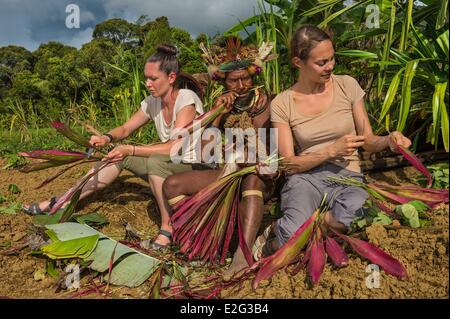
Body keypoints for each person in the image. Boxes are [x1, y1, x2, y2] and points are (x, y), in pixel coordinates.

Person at [23, 44, 204, 250]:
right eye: (146, 78)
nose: (147, 83)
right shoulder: (152, 102)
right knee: (116, 156)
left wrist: (131, 149)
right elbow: (126, 128)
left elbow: (174, 148)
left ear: (171, 78)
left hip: (191, 167)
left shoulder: (186, 99)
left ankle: (167, 227)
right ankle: (63, 200)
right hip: (167, 164)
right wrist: (107, 138)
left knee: (154, 161)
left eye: (153, 79)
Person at [261, 25, 412, 256]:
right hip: (306, 180)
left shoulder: (347, 85)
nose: (330, 66)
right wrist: (330, 151)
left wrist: (390, 141)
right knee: (287, 243)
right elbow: (289, 164)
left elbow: (368, 141)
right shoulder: (283, 103)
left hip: (348, 178)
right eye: (321, 62)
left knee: (357, 216)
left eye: (332, 59)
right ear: (298, 63)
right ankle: (281, 235)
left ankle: (315, 225)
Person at [162, 38, 277, 277]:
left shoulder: (270, 101)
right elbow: (208, 152)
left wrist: (249, 157)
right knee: (172, 184)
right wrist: (217, 114)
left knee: (252, 180)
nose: (242, 85)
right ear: (224, 82)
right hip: (229, 171)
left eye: (246, 78)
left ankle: (242, 255)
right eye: (234, 80)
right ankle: (198, 239)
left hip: (263, 173)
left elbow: (272, 152)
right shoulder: (223, 107)